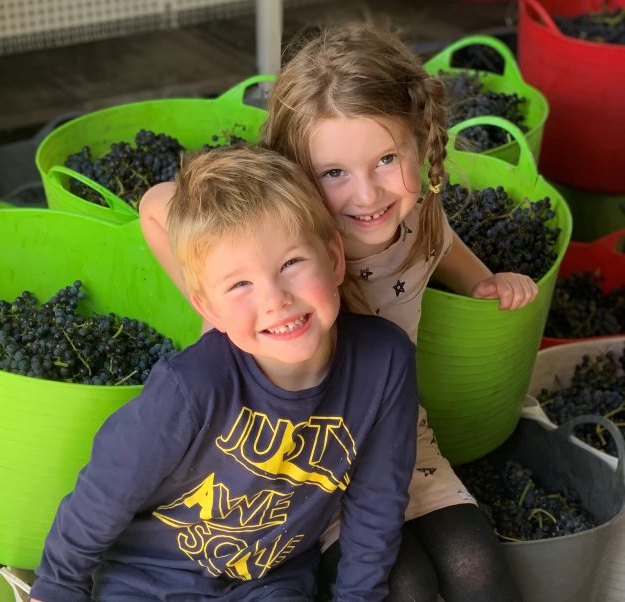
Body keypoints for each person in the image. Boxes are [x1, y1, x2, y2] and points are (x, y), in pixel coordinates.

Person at [139, 24, 534, 602]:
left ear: (421, 144)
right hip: (303, 458)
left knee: (477, 566)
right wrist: (225, 308)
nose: (368, 195)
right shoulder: (278, 240)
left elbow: (441, 243)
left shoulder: (417, 214)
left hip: (399, 434)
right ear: (296, 169)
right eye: (334, 173)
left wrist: (482, 283)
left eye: (386, 160)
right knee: (407, 586)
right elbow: (156, 205)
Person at [30, 146, 419, 602]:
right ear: (207, 307)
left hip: (270, 581)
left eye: (291, 264)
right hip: (151, 576)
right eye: (240, 285)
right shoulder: (190, 386)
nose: (275, 299)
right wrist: (58, 586)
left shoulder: (384, 362)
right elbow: (104, 491)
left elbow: (376, 503)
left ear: (334, 258)